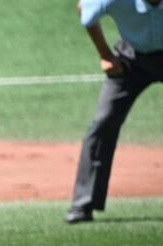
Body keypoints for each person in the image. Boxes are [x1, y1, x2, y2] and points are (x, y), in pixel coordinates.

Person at [65, 0, 163, 224]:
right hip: (132, 60)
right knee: (103, 122)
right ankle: (83, 205)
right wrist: (105, 55)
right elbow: (84, 8)